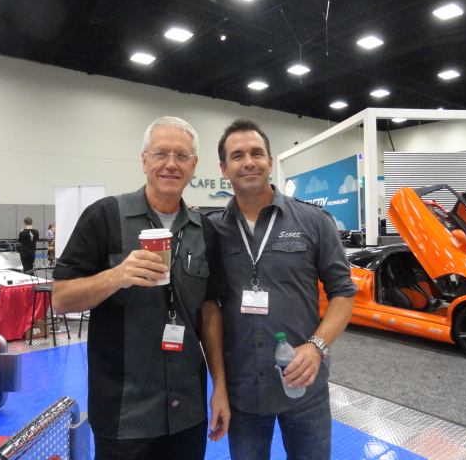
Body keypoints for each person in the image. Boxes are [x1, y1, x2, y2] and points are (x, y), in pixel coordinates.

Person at [52, 116, 230, 460]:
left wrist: (219, 386)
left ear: (194, 166)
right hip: (123, 413)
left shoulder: (204, 230)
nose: (171, 163)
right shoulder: (104, 217)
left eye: (182, 155)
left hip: (187, 410)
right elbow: (60, 299)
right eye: (160, 153)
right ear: (144, 160)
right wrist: (116, 276)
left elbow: (210, 311)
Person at [207, 118, 357, 460]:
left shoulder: (314, 221)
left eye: (256, 153)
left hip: (305, 385)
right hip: (242, 390)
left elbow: (343, 292)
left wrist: (317, 348)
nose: (248, 162)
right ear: (224, 168)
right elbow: (209, 307)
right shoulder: (211, 230)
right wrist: (219, 386)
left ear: (270, 162)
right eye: (237, 155)